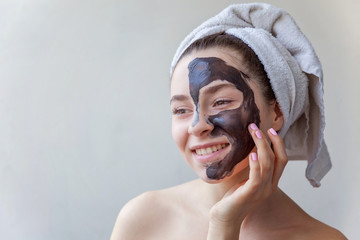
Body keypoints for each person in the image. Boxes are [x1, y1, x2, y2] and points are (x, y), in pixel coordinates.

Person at [110, 3, 347, 239]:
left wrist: (226, 223)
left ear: (277, 112)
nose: (197, 125)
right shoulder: (143, 218)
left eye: (221, 102)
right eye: (181, 109)